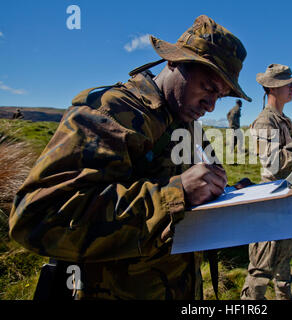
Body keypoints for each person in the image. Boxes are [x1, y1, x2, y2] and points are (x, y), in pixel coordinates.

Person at [8, 15, 251, 300]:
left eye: (220, 96)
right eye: (208, 88)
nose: (210, 106)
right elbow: (35, 217)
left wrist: (231, 196)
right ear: (173, 61)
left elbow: (202, 186)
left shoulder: (189, 125)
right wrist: (174, 194)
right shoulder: (110, 113)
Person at [240, 64, 292, 300]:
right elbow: (275, 164)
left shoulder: (284, 120)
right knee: (262, 265)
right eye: (288, 84)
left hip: (288, 197)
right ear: (272, 88)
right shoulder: (265, 122)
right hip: (271, 200)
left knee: (284, 259)